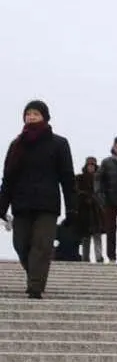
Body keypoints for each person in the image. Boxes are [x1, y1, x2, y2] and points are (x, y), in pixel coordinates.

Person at [0, 101, 77, 300]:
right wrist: (2, 205)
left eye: (36, 114)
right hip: (22, 204)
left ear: (45, 117)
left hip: (47, 205)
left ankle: (35, 286)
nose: (31, 117)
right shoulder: (17, 145)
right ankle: (35, 274)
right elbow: (8, 178)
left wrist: (72, 209)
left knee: (42, 245)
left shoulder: (59, 144)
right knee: (21, 244)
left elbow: (67, 178)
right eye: (28, 114)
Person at [75, 157, 103, 263]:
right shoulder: (79, 178)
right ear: (86, 166)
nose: (91, 167)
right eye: (89, 165)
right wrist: (86, 196)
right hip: (84, 210)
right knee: (85, 236)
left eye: (93, 165)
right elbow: (76, 191)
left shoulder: (100, 179)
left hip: (97, 211)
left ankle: (99, 257)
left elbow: (104, 193)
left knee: (97, 235)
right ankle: (85, 258)